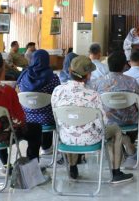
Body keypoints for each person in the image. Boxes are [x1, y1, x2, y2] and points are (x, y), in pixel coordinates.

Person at [51, 55, 134, 183]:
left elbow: (56, 116)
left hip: (66, 138)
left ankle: (72, 168)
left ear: (69, 71)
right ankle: (116, 172)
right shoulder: (93, 95)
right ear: (88, 75)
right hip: (90, 139)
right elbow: (103, 122)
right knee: (116, 129)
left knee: (72, 125)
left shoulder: (57, 91)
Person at [0, 52, 43, 167]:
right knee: (35, 128)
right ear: (2, 69)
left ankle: (6, 164)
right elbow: (20, 119)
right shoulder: (7, 91)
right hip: (4, 136)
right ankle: (32, 166)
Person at [17, 49, 61, 155]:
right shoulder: (53, 78)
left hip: (27, 117)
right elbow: (57, 96)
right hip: (47, 118)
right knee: (50, 110)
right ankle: (46, 147)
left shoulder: (23, 77)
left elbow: (19, 91)